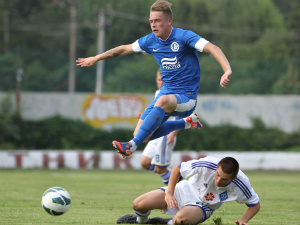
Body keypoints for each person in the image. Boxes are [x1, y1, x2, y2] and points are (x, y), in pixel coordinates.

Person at [76, 0, 232, 159]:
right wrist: (96, 58)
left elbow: (213, 48)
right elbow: (124, 49)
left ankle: (130, 146)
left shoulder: (184, 36)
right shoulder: (150, 41)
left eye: (157, 20)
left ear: (169, 21)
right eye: (151, 21)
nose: (153, 24)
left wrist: (226, 70)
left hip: (187, 97)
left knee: (161, 102)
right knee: (142, 134)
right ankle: (187, 123)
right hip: (166, 94)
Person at [116, 156, 260, 225]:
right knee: (138, 204)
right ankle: (142, 221)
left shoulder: (242, 182)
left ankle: (166, 222)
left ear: (233, 177)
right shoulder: (208, 163)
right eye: (217, 175)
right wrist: (169, 193)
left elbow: (255, 204)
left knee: (180, 221)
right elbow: (177, 168)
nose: (218, 181)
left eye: (224, 179)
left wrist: (243, 220)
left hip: (204, 205)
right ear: (216, 169)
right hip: (184, 189)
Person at [141, 69, 180, 185]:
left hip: (166, 134)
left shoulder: (173, 95)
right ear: (156, 80)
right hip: (156, 134)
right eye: (159, 80)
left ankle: (176, 189)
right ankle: (174, 176)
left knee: (160, 169)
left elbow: (179, 117)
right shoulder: (158, 93)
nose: (162, 82)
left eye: (164, 80)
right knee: (145, 162)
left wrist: (173, 134)